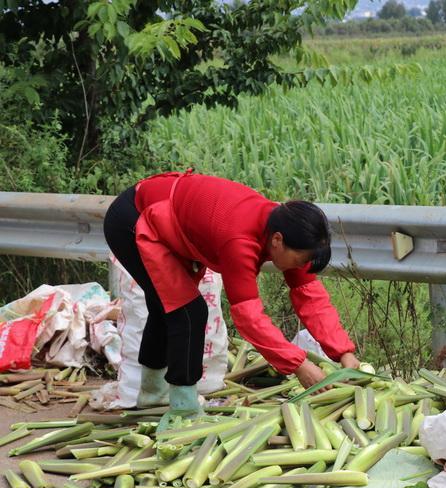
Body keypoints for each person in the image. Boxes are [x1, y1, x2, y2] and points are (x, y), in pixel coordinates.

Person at [103, 170, 360, 426]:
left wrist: (343, 352)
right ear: (278, 241)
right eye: (300, 260)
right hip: (133, 220)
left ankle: (152, 396)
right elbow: (248, 318)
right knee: (189, 311)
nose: (300, 266)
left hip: (163, 216)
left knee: (166, 307)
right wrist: (299, 365)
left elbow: (310, 297)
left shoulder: (285, 228)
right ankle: (184, 409)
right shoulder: (240, 241)